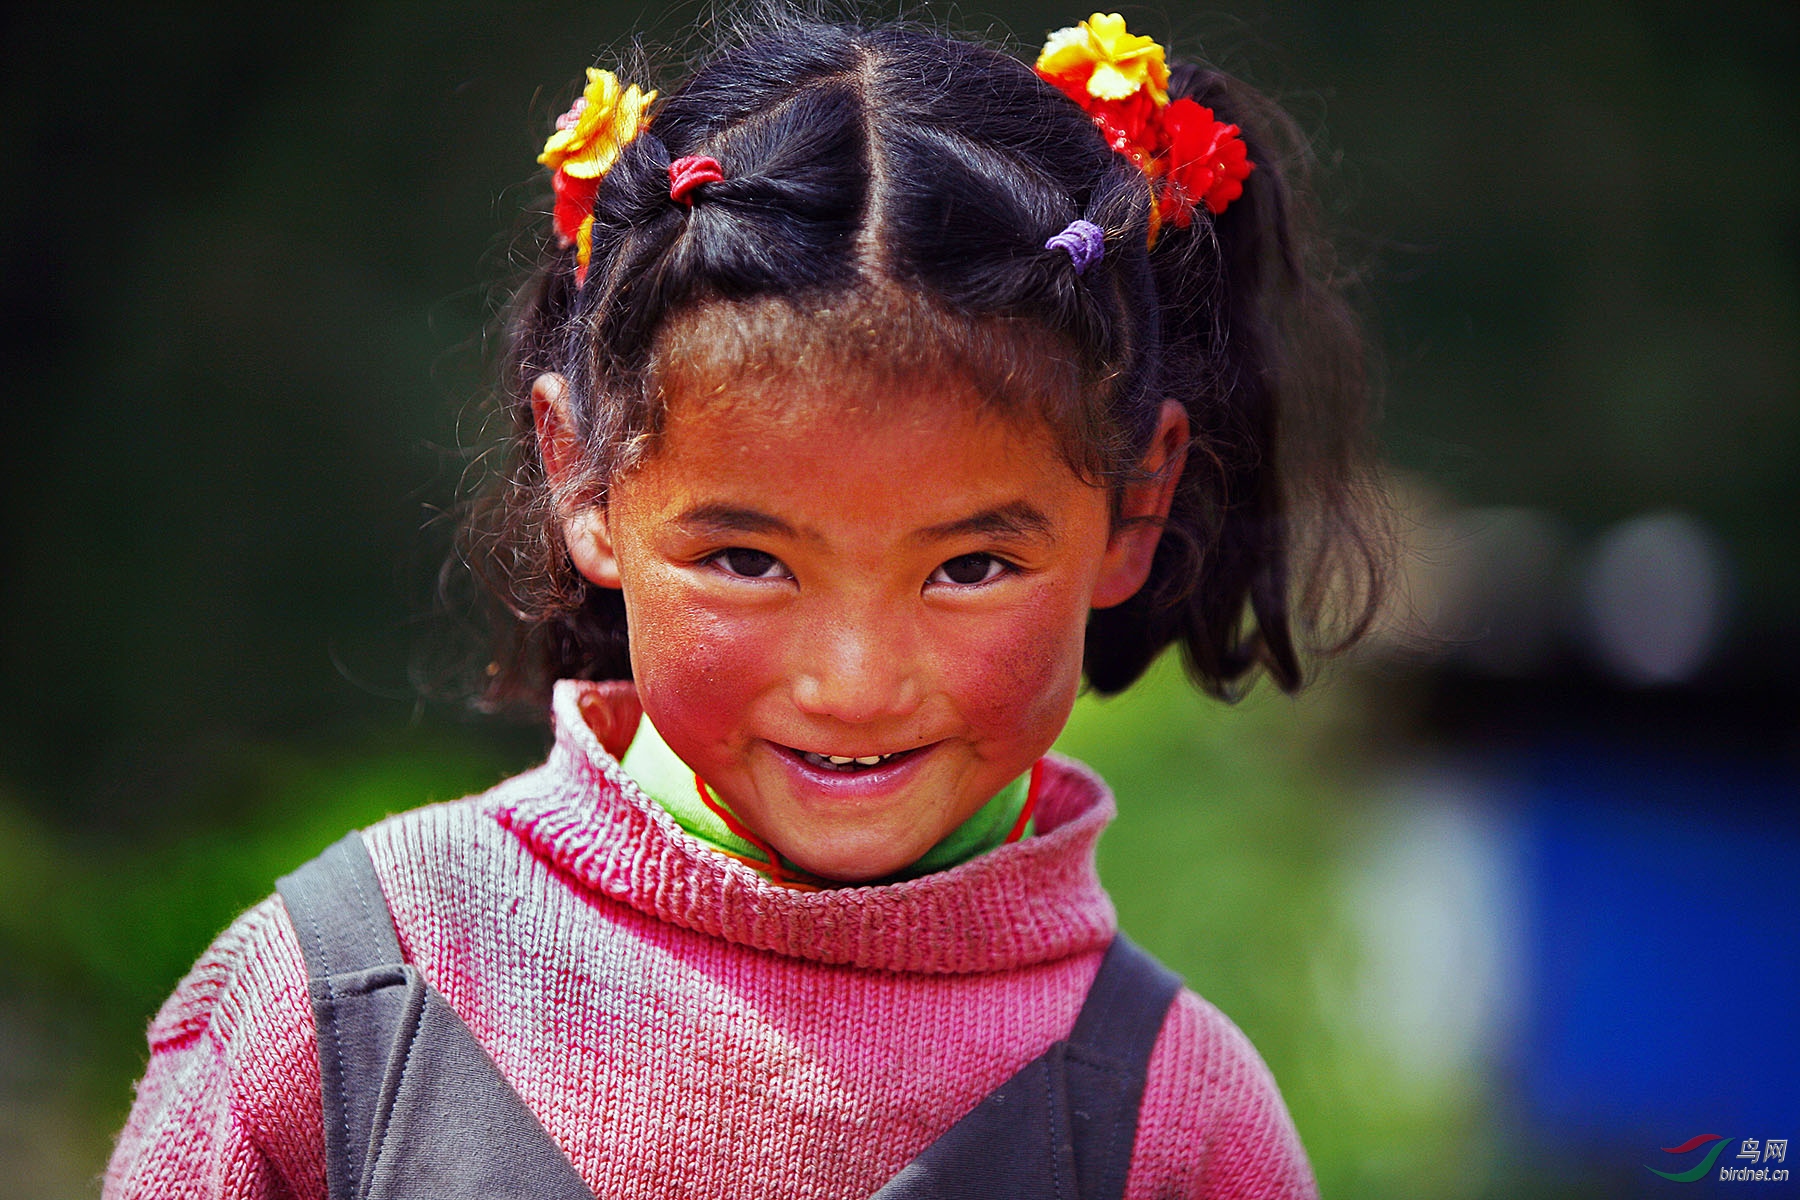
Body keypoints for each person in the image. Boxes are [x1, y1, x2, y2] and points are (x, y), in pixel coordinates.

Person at [106, 8, 1383, 1197]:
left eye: (971, 568)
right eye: (748, 561)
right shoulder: (351, 1004)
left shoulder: (1173, 1119)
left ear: (1137, 507)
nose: (854, 682)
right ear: (584, 478)